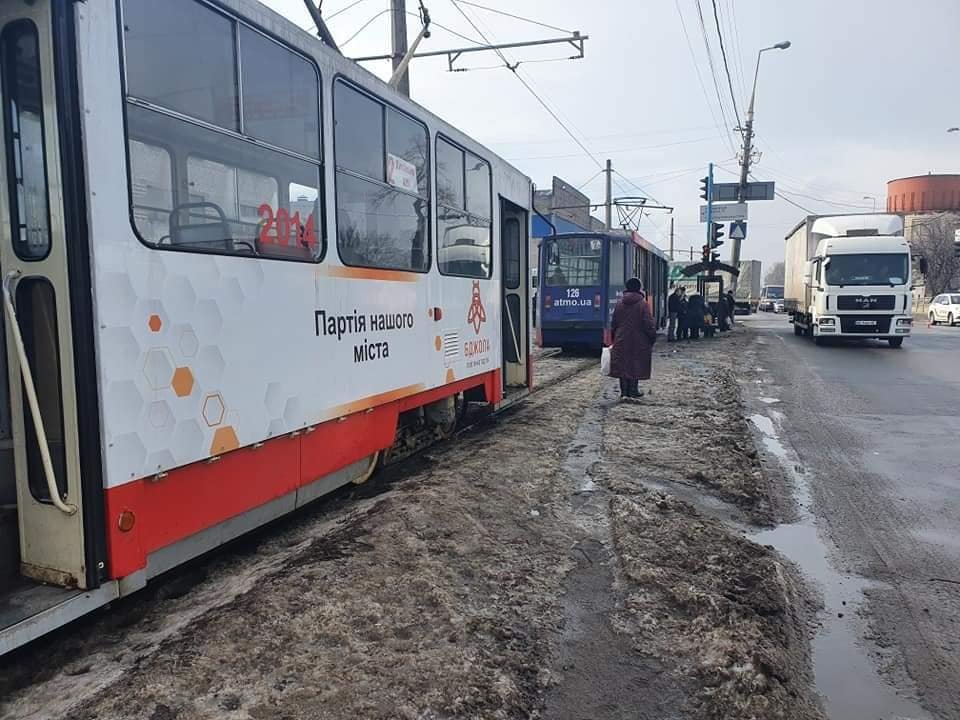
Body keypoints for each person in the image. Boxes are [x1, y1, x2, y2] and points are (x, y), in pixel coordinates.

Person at [610, 277, 657, 399]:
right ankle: (633, 390)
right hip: (639, 339)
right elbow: (648, 324)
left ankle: (624, 391)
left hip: (621, 338)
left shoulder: (619, 303)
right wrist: (652, 337)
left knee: (622, 364)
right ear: (639, 288)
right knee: (635, 363)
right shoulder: (643, 304)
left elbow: (614, 323)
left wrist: (614, 338)